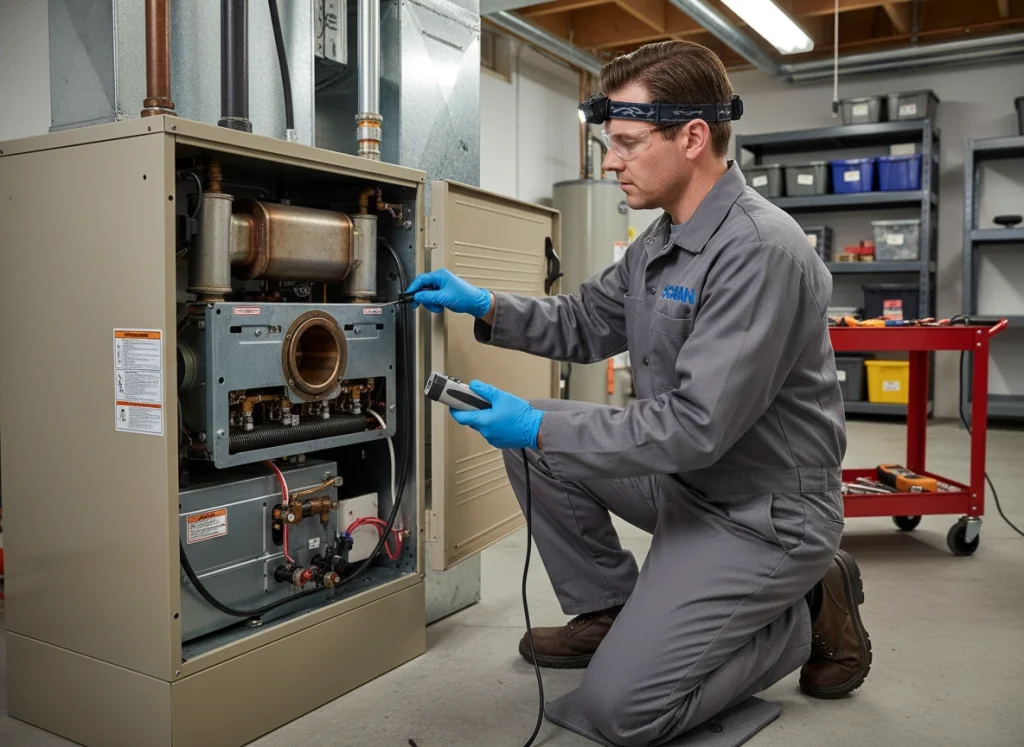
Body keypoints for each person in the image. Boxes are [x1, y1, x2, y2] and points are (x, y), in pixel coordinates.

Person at [406, 40, 870, 747]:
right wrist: (483, 303)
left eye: (625, 143)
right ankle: (611, 611)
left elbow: (693, 426)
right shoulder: (660, 241)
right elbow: (584, 321)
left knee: (622, 712)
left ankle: (803, 612)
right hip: (687, 484)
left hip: (763, 511)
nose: (610, 162)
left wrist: (538, 421)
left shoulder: (761, 251)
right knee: (544, 449)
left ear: (691, 138)